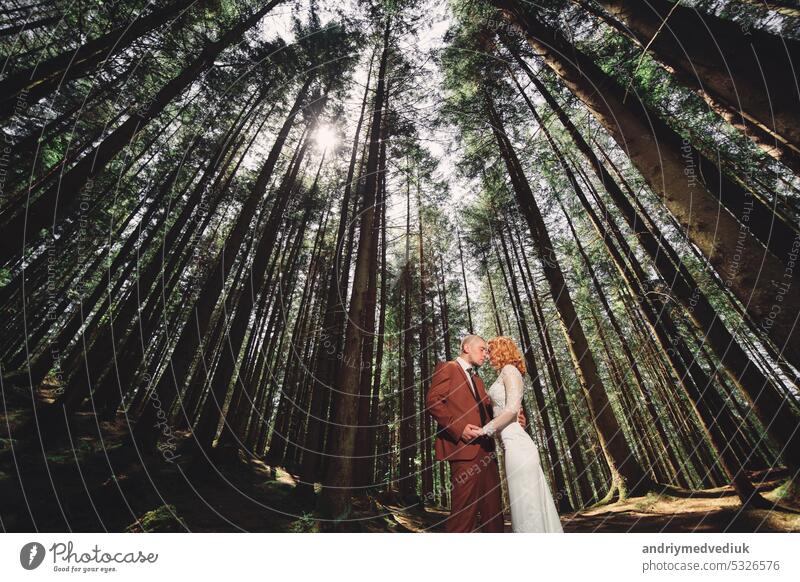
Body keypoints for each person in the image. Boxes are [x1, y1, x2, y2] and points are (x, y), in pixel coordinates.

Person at [425, 334, 526, 532]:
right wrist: (458, 428)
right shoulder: (448, 368)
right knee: (464, 514)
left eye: (488, 351)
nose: (486, 355)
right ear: (466, 348)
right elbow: (433, 401)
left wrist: (514, 419)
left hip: (487, 453)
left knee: (494, 513)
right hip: (463, 451)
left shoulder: (478, 380)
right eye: (482, 349)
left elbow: (488, 414)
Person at [480, 336, 563, 533]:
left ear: (501, 351)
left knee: (526, 502)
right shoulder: (503, 374)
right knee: (524, 501)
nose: (487, 355)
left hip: (518, 445)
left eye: (490, 350)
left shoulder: (510, 370)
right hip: (511, 443)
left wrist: (485, 430)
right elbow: (507, 410)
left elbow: (511, 409)